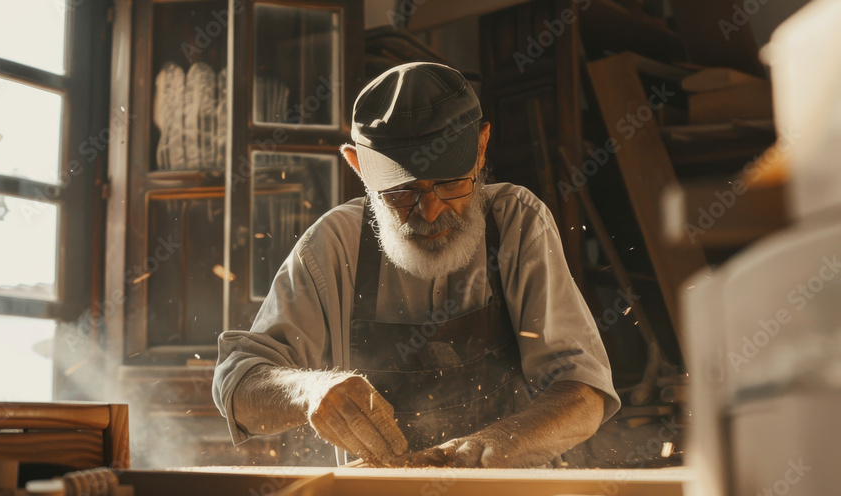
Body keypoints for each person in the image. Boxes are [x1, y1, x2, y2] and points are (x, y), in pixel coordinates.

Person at [212, 62, 619, 467]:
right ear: (358, 167)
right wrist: (311, 392)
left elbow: (584, 392)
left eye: (451, 183)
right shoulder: (333, 246)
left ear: (481, 148)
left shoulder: (516, 224)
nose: (430, 211)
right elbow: (237, 382)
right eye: (403, 193)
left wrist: (495, 445)